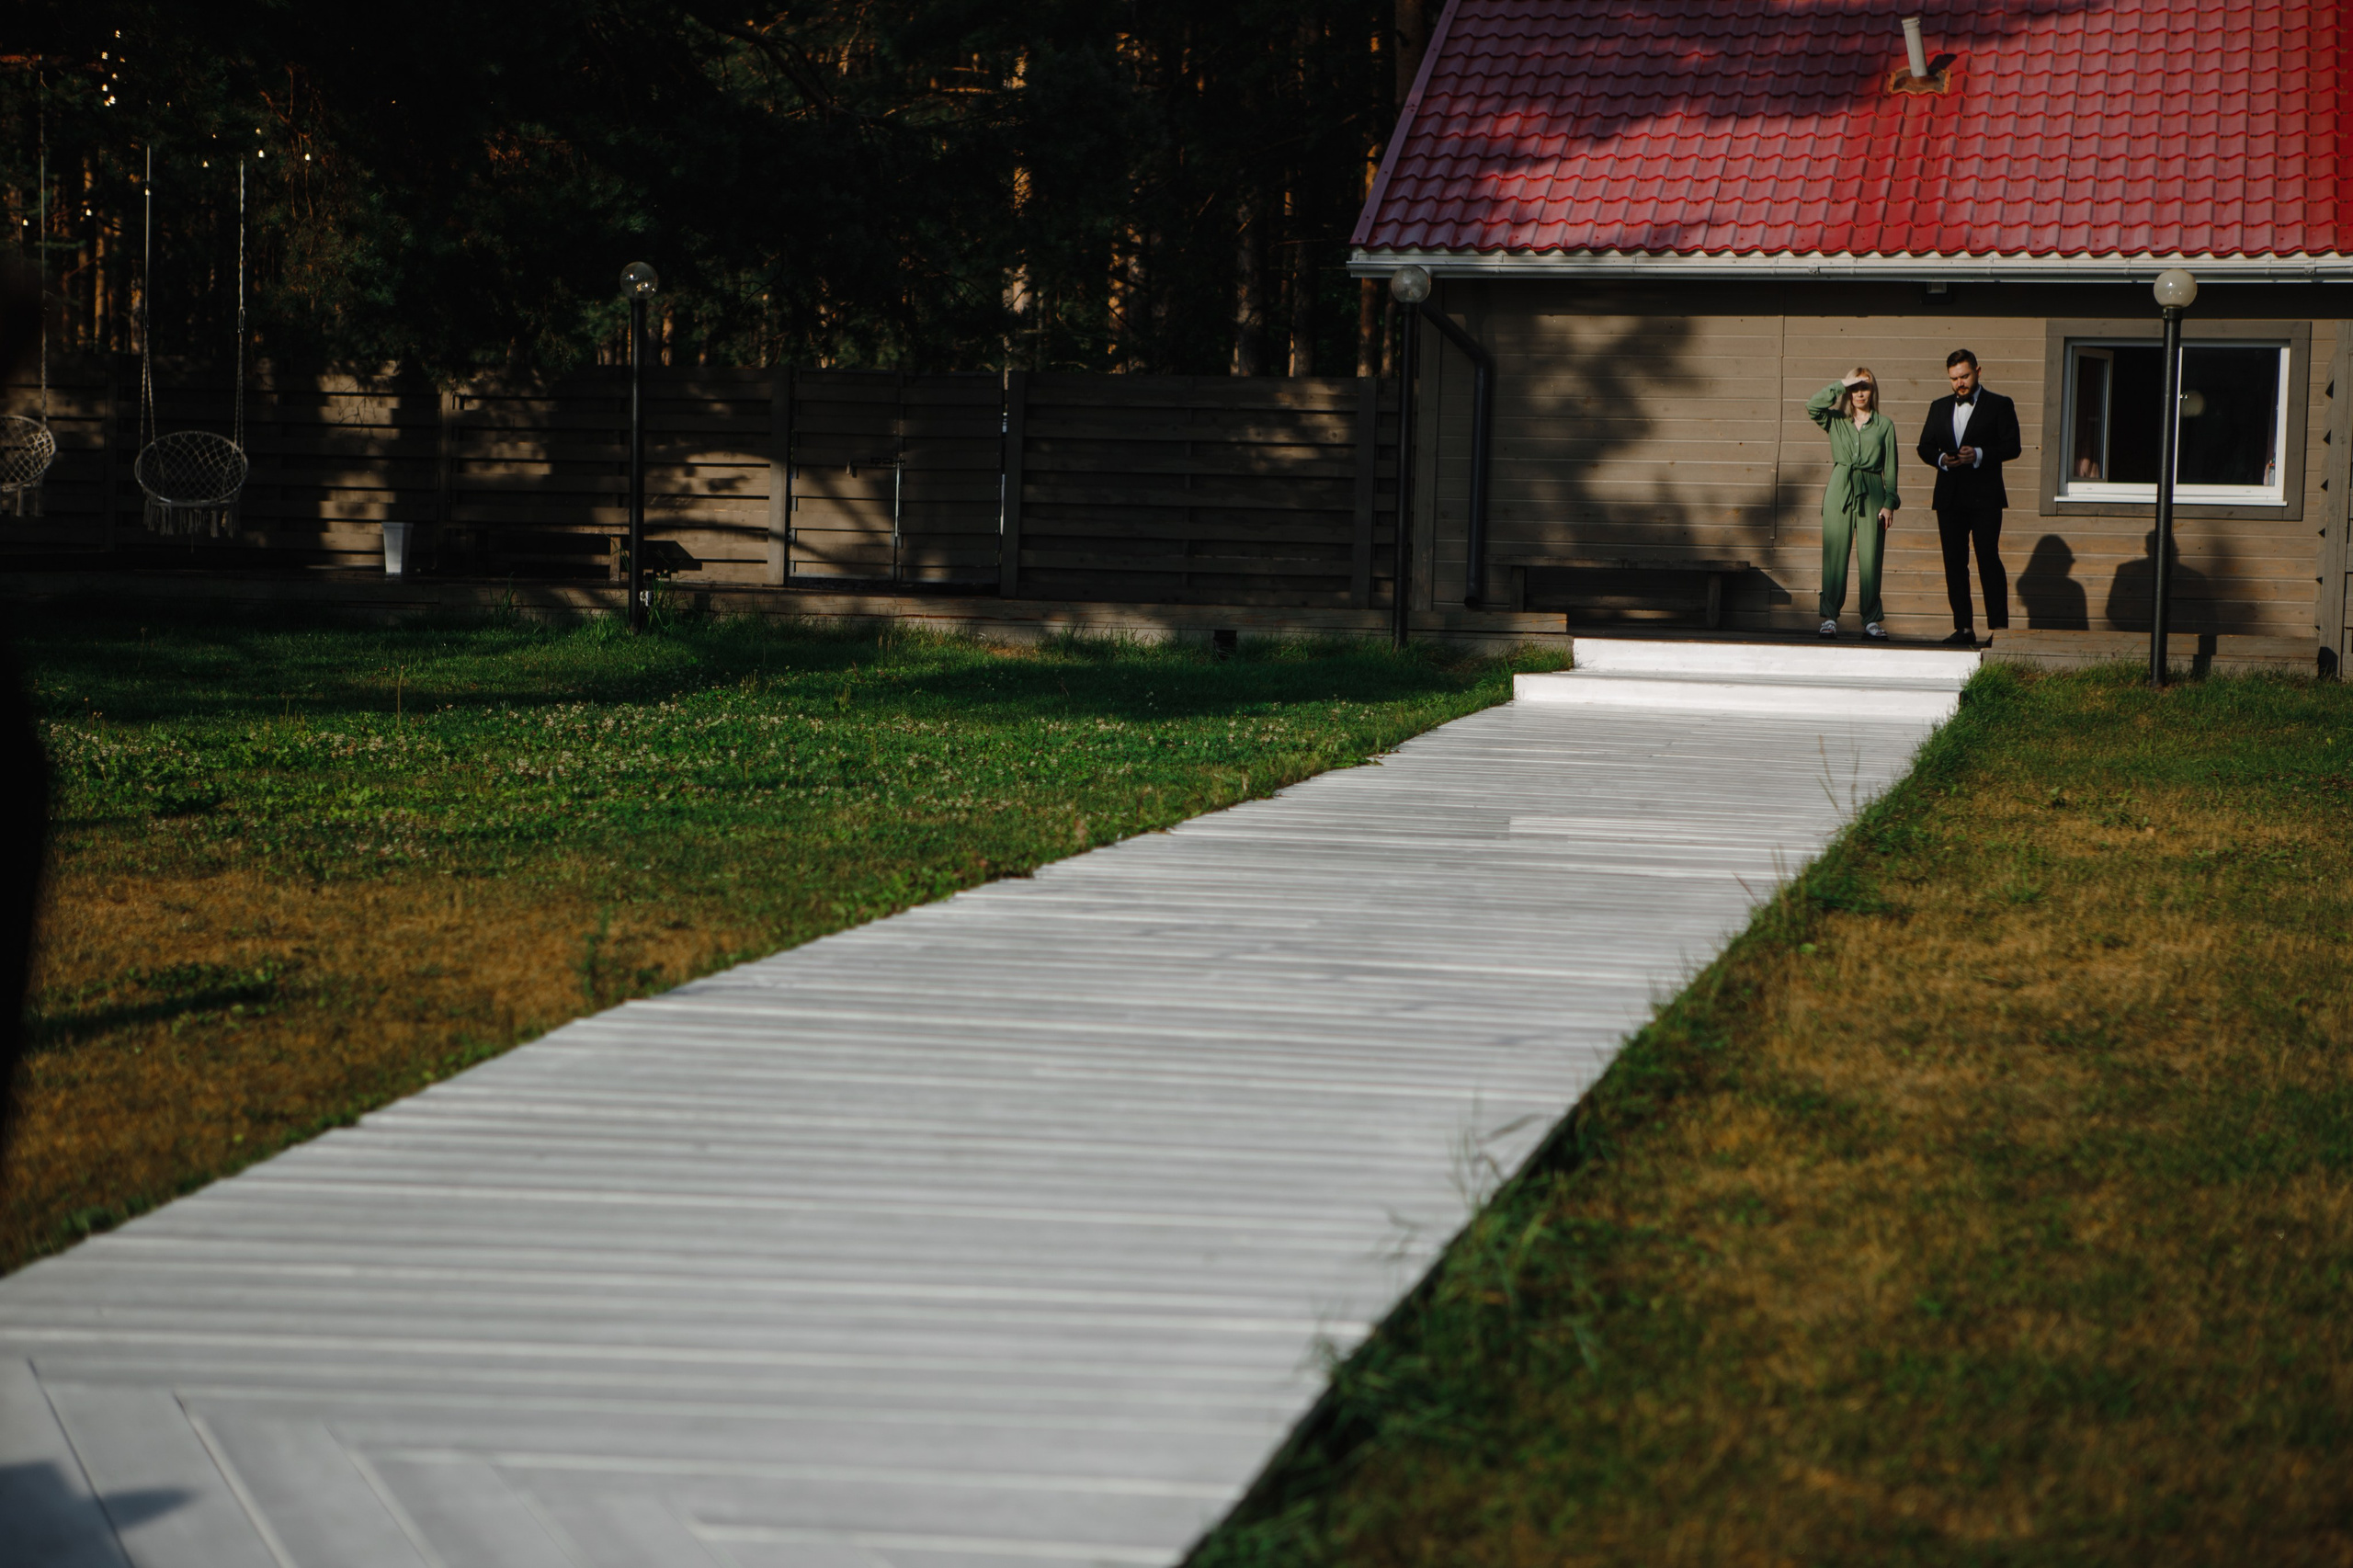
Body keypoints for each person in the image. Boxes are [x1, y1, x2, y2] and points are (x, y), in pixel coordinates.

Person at [1916, 348, 2022, 646]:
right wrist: (1940, 459)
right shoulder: (1938, 407)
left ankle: (1999, 629)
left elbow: (2013, 446)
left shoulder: (2000, 404)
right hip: (1949, 497)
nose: (1959, 383)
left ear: (1978, 370)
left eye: (1964, 376)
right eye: (1953, 379)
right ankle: (1963, 628)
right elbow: (1924, 446)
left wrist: (1979, 454)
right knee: (1954, 563)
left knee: (1988, 559)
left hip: (1986, 497)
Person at [1805, 367, 1901, 639]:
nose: (1860, 392)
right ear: (1848, 390)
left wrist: (1889, 502)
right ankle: (1830, 617)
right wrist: (1840, 383)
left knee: (1871, 556)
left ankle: (1871, 619)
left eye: (1865, 386)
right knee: (1835, 554)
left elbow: (1891, 469)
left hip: (1872, 490)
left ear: (1874, 391)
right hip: (1840, 489)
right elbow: (1812, 406)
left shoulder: (1885, 426)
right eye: (1855, 387)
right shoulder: (1835, 420)